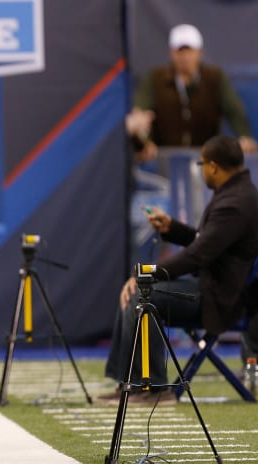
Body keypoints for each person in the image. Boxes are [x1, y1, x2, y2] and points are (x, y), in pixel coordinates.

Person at [102, 135, 258, 405]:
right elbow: (206, 241)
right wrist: (172, 228)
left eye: (202, 165)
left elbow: (198, 255)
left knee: (142, 295)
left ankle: (153, 388)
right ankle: (130, 383)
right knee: (139, 292)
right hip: (213, 288)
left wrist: (146, 274)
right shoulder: (236, 194)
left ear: (213, 166)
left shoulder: (236, 203)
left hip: (223, 299)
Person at [126, 24, 257, 164]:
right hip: (165, 165)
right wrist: (145, 143)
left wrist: (244, 136)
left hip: (208, 164)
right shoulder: (154, 79)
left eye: (189, 51)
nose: (184, 57)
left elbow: (234, 111)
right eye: (179, 51)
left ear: (200, 52)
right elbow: (141, 114)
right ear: (171, 53)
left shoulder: (215, 78)